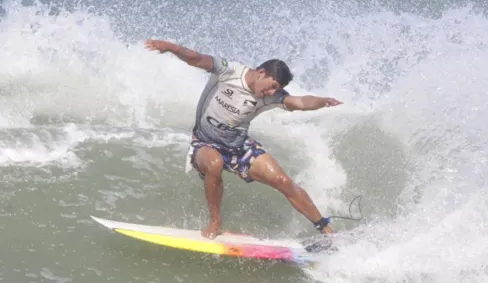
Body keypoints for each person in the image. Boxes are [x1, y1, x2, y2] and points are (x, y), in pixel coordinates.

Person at [144, 39, 342, 239]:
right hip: (205, 142)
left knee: (283, 181)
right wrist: (171, 47)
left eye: (276, 89)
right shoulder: (230, 71)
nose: (272, 92)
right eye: (272, 86)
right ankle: (215, 222)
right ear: (262, 73)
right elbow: (197, 59)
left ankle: (326, 229)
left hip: (238, 147)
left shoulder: (271, 96)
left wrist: (321, 102)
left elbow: (299, 101)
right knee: (214, 163)